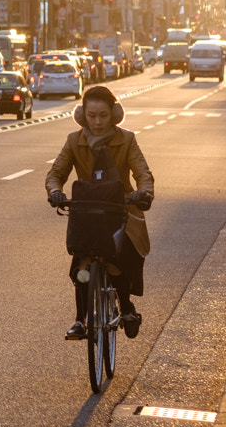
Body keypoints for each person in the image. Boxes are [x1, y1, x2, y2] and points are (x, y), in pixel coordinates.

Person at [45, 85, 156, 341]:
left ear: (115, 114)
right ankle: (79, 320)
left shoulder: (126, 139)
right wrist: (55, 192)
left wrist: (144, 192)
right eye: (91, 115)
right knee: (82, 265)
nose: (97, 121)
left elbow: (142, 172)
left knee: (118, 261)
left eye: (103, 115)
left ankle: (126, 308)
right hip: (87, 211)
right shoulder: (74, 140)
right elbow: (56, 173)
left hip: (122, 210)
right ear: (82, 114)